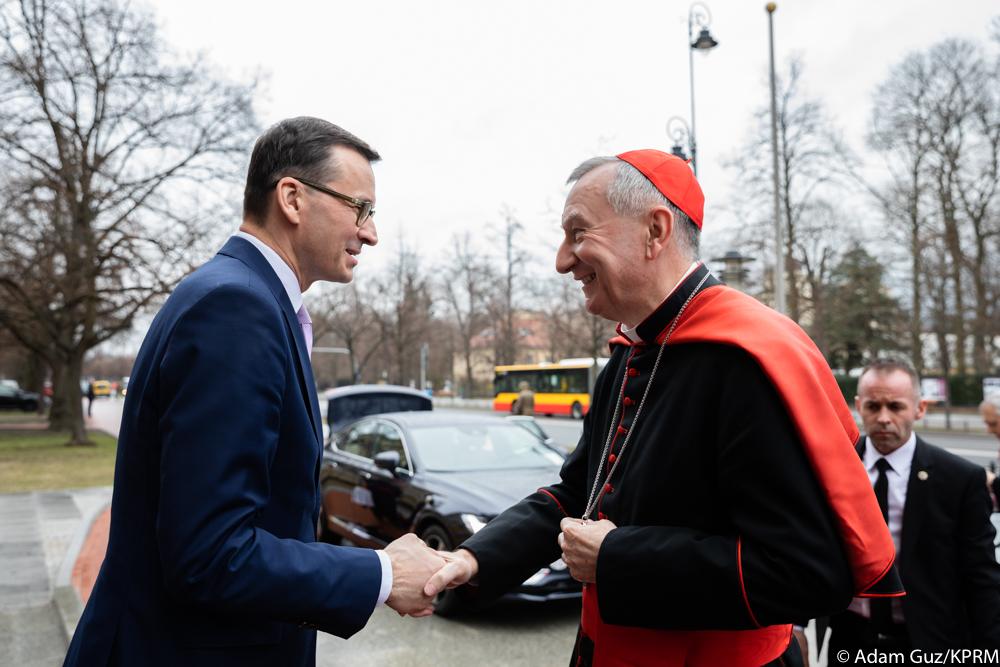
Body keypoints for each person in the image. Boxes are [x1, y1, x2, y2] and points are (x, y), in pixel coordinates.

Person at [425, 150, 900, 667]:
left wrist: (616, 557)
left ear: (655, 230)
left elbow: (809, 572)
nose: (562, 260)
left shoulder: (747, 362)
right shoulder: (630, 353)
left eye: (578, 233)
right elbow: (577, 495)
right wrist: (474, 557)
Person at [64, 118, 443, 667]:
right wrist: (382, 574)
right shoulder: (237, 311)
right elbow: (211, 555)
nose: (370, 233)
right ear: (292, 197)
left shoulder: (243, 299)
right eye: (360, 208)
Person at [827, 358, 1000, 656]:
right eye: (872, 406)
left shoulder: (959, 479)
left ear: (919, 409)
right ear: (858, 406)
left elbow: (981, 577)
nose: (883, 418)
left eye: (895, 407)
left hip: (930, 641)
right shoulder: (833, 468)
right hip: (851, 638)